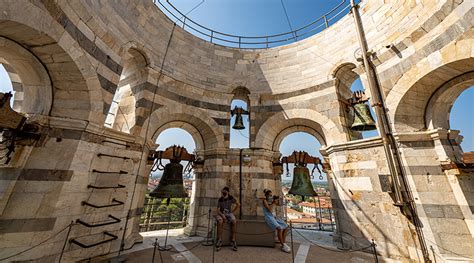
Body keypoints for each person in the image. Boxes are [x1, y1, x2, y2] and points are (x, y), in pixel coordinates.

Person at [262, 189, 291, 253]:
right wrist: (274, 203)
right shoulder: (264, 201)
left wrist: (279, 199)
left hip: (274, 217)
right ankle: (283, 245)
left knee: (286, 226)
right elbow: (270, 210)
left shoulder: (272, 201)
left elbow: (280, 204)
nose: (271, 196)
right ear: (266, 195)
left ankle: (283, 242)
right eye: (269, 195)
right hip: (269, 217)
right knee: (279, 228)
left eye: (271, 195)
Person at [215, 186, 240, 251]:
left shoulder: (231, 198)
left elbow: (238, 204)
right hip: (221, 213)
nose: (223, 193)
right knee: (220, 221)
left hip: (229, 213)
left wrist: (233, 211)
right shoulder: (220, 199)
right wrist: (222, 215)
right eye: (222, 192)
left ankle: (233, 240)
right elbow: (218, 210)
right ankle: (219, 240)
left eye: (224, 192)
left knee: (234, 221)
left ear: (227, 192)